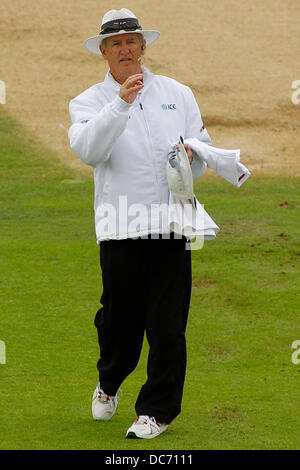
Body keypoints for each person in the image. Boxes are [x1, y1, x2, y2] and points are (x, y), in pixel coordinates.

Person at [68, 8, 215, 439]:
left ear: (143, 46)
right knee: (120, 325)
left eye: (132, 41)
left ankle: (156, 410)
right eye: (115, 44)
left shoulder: (178, 93)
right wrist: (122, 103)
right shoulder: (88, 102)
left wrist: (193, 157)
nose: (125, 49)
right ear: (104, 52)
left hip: (172, 224)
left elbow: (201, 149)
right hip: (120, 227)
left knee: (168, 323)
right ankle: (109, 380)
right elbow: (91, 151)